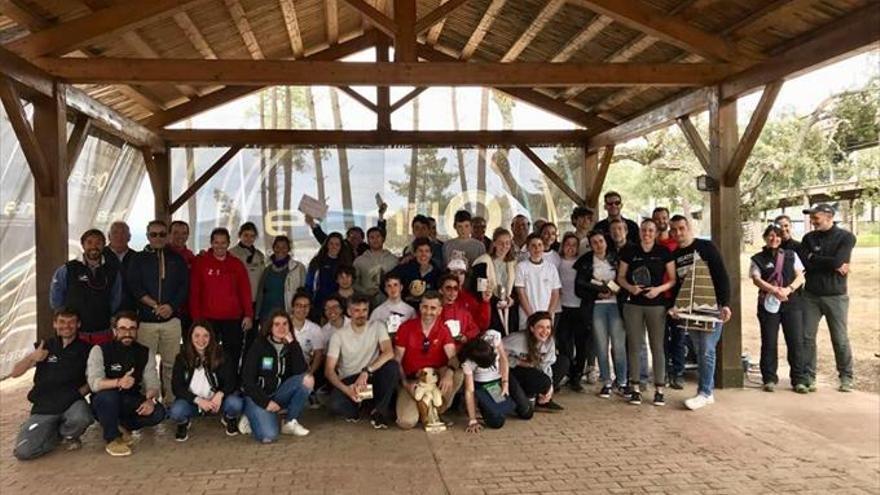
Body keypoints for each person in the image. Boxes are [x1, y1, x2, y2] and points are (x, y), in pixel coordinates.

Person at [668, 215, 732, 410]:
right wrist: (676, 306)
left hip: (712, 309)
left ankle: (704, 392)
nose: (678, 233)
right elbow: (679, 285)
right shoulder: (675, 256)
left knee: (706, 349)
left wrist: (725, 304)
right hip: (690, 311)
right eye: (674, 230)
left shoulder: (706, 247)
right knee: (699, 348)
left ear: (689, 228)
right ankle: (707, 390)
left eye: (681, 228)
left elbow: (721, 275)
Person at [11, 308, 93, 460]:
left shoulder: (87, 349)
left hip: (71, 403)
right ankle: (54, 436)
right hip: (44, 407)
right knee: (23, 452)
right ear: (55, 324)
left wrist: (78, 394)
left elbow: (92, 380)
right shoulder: (43, 346)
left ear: (78, 324)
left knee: (83, 417)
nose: (66, 326)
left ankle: (68, 434)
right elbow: (15, 373)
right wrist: (32, 358)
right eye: (62, 322)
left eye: (71, 322)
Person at [87, 311, 166, 457]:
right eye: (123, 329)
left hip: (130, 400)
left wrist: (150, 400)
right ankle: (112, 439)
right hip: (105, 401)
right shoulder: (99, 350)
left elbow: (153, 383)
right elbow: (94, 383)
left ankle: (120, 426)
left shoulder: (145, 352)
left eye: (132, 329)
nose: (127, 333)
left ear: (137, 330)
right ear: (115, 330)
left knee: (158, 413)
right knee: (108, 397)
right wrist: (118, 382)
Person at [127, 220, 188, 405]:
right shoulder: (137, 258)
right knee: (147, 364)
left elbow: (184, 287)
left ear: (167, 235)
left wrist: (171, 306)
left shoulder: (177, 259)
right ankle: (149, 402)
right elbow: (134, 286)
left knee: (171, 363)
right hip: (146, 320)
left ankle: (171, 400)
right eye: (154, 234)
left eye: (162, 234)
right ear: (147, 236)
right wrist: (154, 305)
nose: (158, 238)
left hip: (171, 320)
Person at [617, 219, 676, 406]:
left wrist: (658, 290)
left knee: (657, 347)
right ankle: (635, 388)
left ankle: (659, 389)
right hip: (633, 305)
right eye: (644, 230)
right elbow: (620, 277)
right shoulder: (629, 251)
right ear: (639, 232)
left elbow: (673, 279)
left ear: (656, 232)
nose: (647, 233)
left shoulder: (664, 252)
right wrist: (630, 288)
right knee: (634, 346)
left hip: (657, 305)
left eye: (650, 230)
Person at [799, 204, 857, 392]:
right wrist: (830, 262)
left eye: (816, 218)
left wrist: (815, 258)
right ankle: (809, 376)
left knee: (840, 339)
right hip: (811, 295)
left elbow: (838, 261)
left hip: (836, 296)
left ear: (829, 216)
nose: (813, 222)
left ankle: (846, 376)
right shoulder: (808, 238)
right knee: (807, 338)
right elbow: (805, 262)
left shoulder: (846, 237)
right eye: (812, 218)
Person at [325, 296, 399, 429]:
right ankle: (360, 407)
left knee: (392, 366)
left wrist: (367, 371)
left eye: (365, 310)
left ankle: (379, 412)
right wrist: (347, 390)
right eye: (357, 310)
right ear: (348, 312)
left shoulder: (377, 326)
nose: (361, 314)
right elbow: (329, 371)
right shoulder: (338, 335)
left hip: (371, 375)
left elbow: (389, 352)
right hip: (351, 380)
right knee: (334, 405)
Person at [239, 310, 313, 442]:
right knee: (269, 436)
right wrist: (265, 402)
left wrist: (293, 344)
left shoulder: (291, 346)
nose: (281, 328)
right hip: (258, 396)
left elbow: (300, 372)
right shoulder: (259, 345)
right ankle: (249, 415)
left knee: (307, 380)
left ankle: (290, 422)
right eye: (277, 324)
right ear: (270, 327)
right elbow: (247, 380)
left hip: (279, 394)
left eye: (285, 324)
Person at [189, 227, 254, 378]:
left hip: (232, 318)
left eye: (223, 243)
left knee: (232, 353)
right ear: (211, 243)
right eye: (216, 243)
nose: (220, 246)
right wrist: (197, 319)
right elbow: (195, 293)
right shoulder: (201, 263)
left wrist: (248, 315)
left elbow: (245, 291)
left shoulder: (236, 264)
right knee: (206, 352)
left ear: (229, 243)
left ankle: (230, 384)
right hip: (207, 319)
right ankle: (206, 382)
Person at [750, 224, 807, 393]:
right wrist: (774, 290)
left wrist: (787, 290)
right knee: (769, 341)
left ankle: (799, 380)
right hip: (768, 304)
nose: (774, 239)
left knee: (795, 341)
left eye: (777, 236)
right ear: (765, 237)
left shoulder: (791, 255)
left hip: (792, 303)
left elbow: (800, 277)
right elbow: (756, 278)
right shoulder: (757, 258)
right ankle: (769, 378)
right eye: (770, 236)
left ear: (781, 238)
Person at [394, 292, 463, 429]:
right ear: (420, 308)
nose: (428, 312)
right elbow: (397, 360)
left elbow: (453, 357)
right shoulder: (406, 328)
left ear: (439, 310)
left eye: (433, 308)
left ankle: (436, 411)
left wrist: (449, 374)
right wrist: (406, 384)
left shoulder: (444, 330)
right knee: (406, 423)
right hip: (413, 380)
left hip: (435, 379)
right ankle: (423, 410)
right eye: (425, 307)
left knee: (458, 373)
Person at [168, 321, 244, 441]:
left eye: (205, 336)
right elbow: (177, 387)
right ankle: (183, 423)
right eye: (197, 336)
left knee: (236, 403)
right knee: (176, 411)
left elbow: (232, 381)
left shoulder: (222, 355)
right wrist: (198, 400)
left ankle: (229, 417)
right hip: (193, 402)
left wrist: (220, 394)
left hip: (216, 402)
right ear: (190, 337)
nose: (201, 340)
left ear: (211, 337)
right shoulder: (181, 358)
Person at [575, 231, 626, 398]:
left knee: (618, 346)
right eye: (594, 242)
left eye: (601, 241)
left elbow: (625, 280)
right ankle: (606, 382)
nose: (598, 245)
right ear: (590, 244)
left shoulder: (616, 258)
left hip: (616, 306)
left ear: (606, 241)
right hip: (596, 306)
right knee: (601, 346)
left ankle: (623, 381)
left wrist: (616, 292)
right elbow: (579, 288)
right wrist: (597, 294)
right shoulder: (585, 262)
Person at [50, 228, 121, 345]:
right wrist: (65, 322)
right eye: (89, 242)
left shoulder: (112, 271)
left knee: (101, 361)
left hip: (102, 330)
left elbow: (116, 297)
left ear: (104, 245)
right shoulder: (68, 269)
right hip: (74, 332)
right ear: (83, 245)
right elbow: (56, 298)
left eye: (98, 243)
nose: (94, 246)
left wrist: (111, 316)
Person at [460, 329, 533, 432]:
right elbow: (469, 390)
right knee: (497, 422)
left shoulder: (492, 336)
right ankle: (483, 404)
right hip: (485, 384)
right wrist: (473, 420)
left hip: (502, 376)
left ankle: (510, 402)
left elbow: (503, 359)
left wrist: (505, 382)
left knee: (527, 412)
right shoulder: (468, 363)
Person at [503, 311, 565, 411]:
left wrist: (550, 387)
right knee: (541, 380)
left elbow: (547, 364)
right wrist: (519, 362)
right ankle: (529, 395)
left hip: (535, 368)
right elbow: (496, 354)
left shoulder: (549, 341)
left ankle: (543, 397)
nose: (545, 331)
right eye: (541, 327)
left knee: (563, 362)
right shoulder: (517, 339)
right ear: (532, 328)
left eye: (548, 327)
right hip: (515, 370)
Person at [653, 207, 686, 389]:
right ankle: (663, 372)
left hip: (678, 296)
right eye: (657, 218)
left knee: (679, 336)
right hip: (659, 297)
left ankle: (678, 373)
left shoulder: (677, 243)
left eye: (664, 218)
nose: (661, 221)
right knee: (661, 338)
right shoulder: (652, 244)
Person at [471, 228, 519, 335]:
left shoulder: (513, 263)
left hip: (509, 308)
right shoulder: (482, 262)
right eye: (501, 243)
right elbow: (479, 290)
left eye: (507, 243)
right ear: (494, 243)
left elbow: (517, 289)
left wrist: (512, 300)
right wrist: (494, 301)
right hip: (490, 307)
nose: (504, 246)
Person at [555, 233, 586, 392]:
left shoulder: (582, 263)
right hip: (563, 307)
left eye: (574, 245)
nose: (571, 248)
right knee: (565, 344)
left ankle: (577, 376)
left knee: (581, 344)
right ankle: (566, 372)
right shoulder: (558, 262)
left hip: (579, 307)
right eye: (568, 244)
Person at [254, 235, 306, 323]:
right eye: (277, 247)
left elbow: (303, 292)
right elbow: (260, 292)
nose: (280, 250)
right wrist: (257, 313)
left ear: (289, 249)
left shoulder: (298, 268)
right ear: (273, 248)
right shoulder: (266, 268)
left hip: (287, 313)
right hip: (266, 314)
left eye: (284, 247)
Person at [515, 234, 561, 331]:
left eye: (540, 245)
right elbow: (521, 293)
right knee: (528, 342)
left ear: (543, 247)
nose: (537, 248)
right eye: (533, 245)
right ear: (528, 248)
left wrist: (548, 315)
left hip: (546, 315)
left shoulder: (551, 268)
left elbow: (555, 293)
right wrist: (532, 316)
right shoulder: (521, 267)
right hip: (527, 315)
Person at [305, 232, 354, 320]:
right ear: (326, 245)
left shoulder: (346, 263)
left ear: (341, 247)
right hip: (319, 303)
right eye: (331, 244)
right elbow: (309, 284)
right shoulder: (317, 261)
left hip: (340, 303)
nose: (333, 246)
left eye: (337, 244)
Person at [289, 292, 329, 392]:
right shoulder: (283, 324)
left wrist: (310, 373)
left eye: (306, 306)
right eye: (298, 305)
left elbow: (318, 355)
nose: (302, 309)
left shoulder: (315, 329)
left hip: (302, 371)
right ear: (292, 307)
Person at [353, 226, 399, 307]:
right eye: (372, 237)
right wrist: (365, 292)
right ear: (368, 240)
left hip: (390, 301)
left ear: (383, 239)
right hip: (366, 303)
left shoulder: (393, 260)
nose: (375, 240)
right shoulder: (359, 261)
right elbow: (354, 283)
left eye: (378, 236)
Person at [389, 237, 440, 309]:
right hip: (405, 311)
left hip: (427, 313)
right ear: (415, 253)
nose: (423, 254)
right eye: (420, 251)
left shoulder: (437, 273)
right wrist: (396, 299)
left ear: (431, 254)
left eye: (427, 251)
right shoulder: (405, 268)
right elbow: (385, 282)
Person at [229, 222, 267, 316]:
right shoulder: (232, 254)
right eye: (246, 235)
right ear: (239, 235)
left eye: (252, 236)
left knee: (254, 328)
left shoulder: (259, 255)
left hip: (256, 300)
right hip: (239, 300)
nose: (249, 239)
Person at [446, 258, 491, 332]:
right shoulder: (441, 297)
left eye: (461, 273)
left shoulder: (469, 298)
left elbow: (482, 324)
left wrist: (485, 302)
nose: (458, 276)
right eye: (454, 272)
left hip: (469, 337)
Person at [437, 272, 482, 345]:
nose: (452, 292)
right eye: (448, 288)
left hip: (461, 350)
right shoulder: (433, 309)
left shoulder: (463, 311)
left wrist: (466, 336)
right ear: (441, 290)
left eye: (455, 288)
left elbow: (475, 329)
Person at [168, 220, 196, 331]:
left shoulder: (191, 256)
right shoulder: (162, 254)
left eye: (184, 233)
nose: (180, 236)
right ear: (169, 234)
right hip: (168, 308)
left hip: (187, 309)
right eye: (176, 233)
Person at [104, 220, 136, 310]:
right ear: (109, 236)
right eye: (115, 233)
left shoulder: (137, 258)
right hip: (103, 310)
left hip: (130, 310)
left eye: (123, 233)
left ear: (129, 237)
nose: (119, 236)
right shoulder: (100, 256)